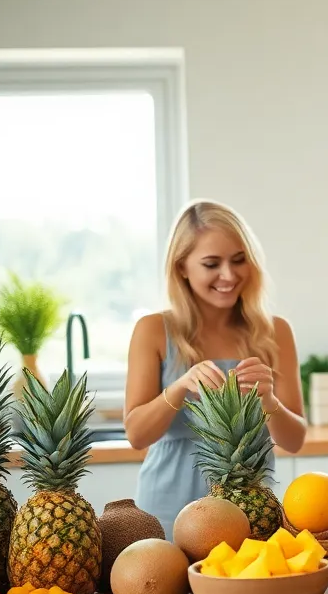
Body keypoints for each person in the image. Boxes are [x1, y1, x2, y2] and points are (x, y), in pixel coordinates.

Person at [124, 200, 307, 537]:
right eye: (212, 264)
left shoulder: (275, 331)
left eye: (239, 260)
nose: (229, 275)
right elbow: (136, 434)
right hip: (167, 507)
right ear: (182, 267)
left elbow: (295, 440)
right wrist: (179, 387)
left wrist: (269, 401)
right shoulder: (152, 330)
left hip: (249, 509)